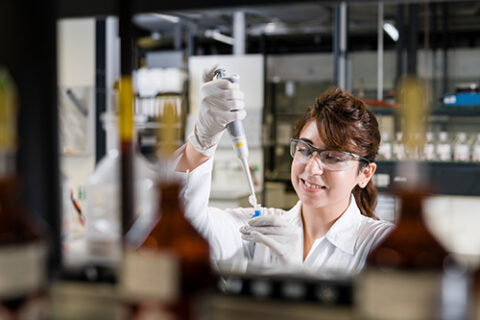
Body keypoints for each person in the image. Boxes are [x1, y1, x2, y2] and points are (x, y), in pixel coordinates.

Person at [174, 66, 394, 276]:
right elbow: (184, 228)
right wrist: (202, 141)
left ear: (365, 173)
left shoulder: (380, 245)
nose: (312, 168)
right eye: (305, 150)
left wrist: (298, 273)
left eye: (333, 157)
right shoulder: (260, 227)